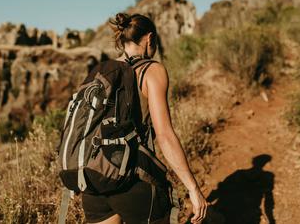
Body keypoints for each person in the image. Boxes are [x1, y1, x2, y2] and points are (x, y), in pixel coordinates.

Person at [81, 13, 207, 224]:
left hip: (93, 178)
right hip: (132, 180)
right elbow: (165, 136)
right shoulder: (152, 71)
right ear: (150, 39)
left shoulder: (100, 72)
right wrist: (193, 188)